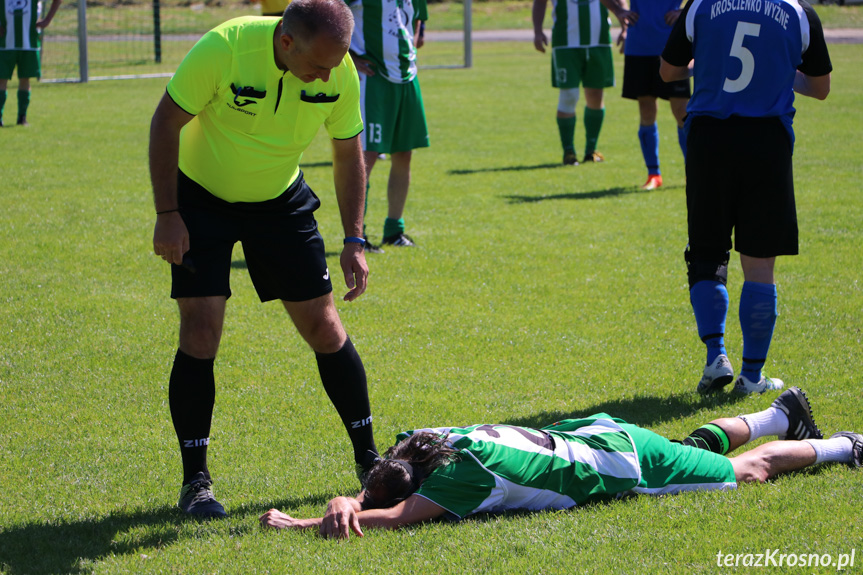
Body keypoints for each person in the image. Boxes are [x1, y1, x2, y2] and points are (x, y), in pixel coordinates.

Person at [149, 0, 379, 518]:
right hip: (202, 199)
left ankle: (371, 460)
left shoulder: (337, 70)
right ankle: (196, 483)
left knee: (325, 327)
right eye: (317, 65)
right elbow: (165, 123)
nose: (327, 75)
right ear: (285, 42)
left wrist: (355, 238)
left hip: (279, 199)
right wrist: (168, 213)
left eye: (335, 63)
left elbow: (348, 152)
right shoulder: (224, 49)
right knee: (200, 333)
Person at [260, 387, 861, 538]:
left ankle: (844, 446)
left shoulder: (461, 481)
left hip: (617, 465)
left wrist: (304, 522)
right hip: (598, 434)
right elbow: (390, 484)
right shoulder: (424, 438)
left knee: (744, 473)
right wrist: (359, 495)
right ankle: (781, 415)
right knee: (687, 452)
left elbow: (390, 518)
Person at [659, 0, 832, 394]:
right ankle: (752, 377)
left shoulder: (700, 5)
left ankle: (716, 357)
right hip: (766, 143)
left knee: (706, 253)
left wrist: (708, 63)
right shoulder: (798, 12)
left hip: (709, 139)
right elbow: (819, 88)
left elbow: (668, 71)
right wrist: (778, 74)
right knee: (759, 264)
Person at [345, 0, 430, 251]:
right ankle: (357, 236)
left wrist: (410, 49)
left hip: (406, 77)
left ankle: (394, 230)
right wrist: (348, 55)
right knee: (366, 156)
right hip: (372, 78)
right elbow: (328, 15)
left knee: (404, 154)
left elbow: (417, 20)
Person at [531, 0, 629, 165]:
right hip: (566, 43)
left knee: (596, 96)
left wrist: (626, 29)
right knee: (569, 95)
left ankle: (591, 150)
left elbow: (620, 2)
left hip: (599, 41)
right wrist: (538, 32)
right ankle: (568, 151)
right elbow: (540, 2)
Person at [609, 0, 689, 189]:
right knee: (646, 109)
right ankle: (654, 174)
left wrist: (684, 12)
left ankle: (692, 170)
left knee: (682, 113)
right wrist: (618, 10)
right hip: (639, 46)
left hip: (673, 45)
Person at [0, 0, 62, 127]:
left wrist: (47, 21)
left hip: (29, 43)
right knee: (1, 80)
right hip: (4, 43)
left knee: (25, 79)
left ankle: (22, 117)